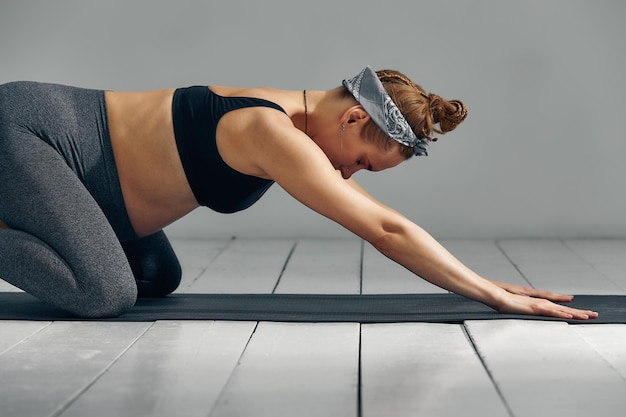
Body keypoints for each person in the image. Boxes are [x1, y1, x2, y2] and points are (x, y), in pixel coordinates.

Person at [0, 66, 598, 320]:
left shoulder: (288, 120)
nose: (347, 177)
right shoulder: (269, 129)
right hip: (33, 132)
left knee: (157, 278)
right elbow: (384, 229)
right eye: (362, 163)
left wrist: (487, 281)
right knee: (105, 293)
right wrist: (496, 297)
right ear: (353, 120)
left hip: (83, 174)